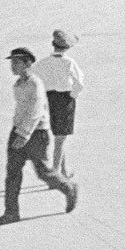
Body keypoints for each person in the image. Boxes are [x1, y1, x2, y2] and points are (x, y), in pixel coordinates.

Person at [0, 47, 78, 224]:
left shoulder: (35, 84)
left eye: (16, 62)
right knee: (12, 174)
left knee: (43, 172)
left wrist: (23, 135)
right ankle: (11, 213)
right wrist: (17, 131)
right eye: (12, 62)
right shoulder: (18, 84)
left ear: (28, 63)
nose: (12, 66)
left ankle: (68, 187)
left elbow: (35, 112)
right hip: (19, 130)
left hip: (35, 134)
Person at [32, 30, 86, 179]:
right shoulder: (69, 62)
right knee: (61, 138)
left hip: (48, 99)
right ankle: (56, 175)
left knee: (58, 136)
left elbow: (33, 78)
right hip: (64, 99)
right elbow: (79, 83)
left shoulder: (43, 63)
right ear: (67, 48)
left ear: (52, 44)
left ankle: (62, 170)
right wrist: (73, 96)